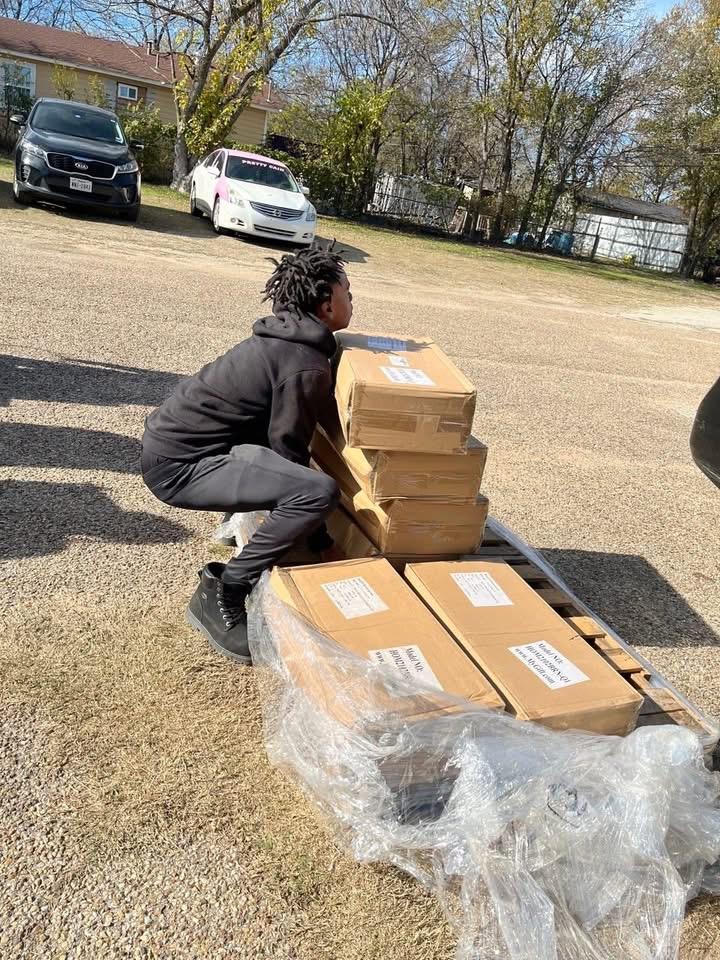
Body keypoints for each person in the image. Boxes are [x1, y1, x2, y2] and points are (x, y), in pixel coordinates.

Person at [140, 244, 353, 665]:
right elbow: (290, 454)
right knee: (318, 492)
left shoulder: (285, 338)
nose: (353, 300)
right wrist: (323, 543)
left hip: (181, 449)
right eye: (348, 292)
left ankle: (236, 530)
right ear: (327, 304)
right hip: (181, 467)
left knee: (302, 486)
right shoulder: (304, 363)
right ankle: (227, 587)